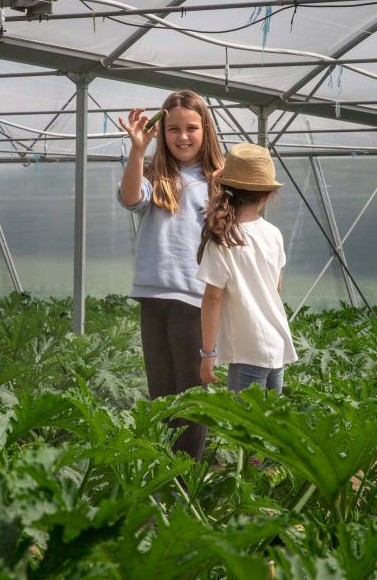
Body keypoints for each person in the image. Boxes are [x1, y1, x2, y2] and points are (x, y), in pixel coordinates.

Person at [117, 90, 224, 460]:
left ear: (205, 129)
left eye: (191, 128)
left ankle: (187, 472)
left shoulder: (217, 181)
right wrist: (136, 150)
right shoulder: (153, 174)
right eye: (173, 129)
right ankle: (166, 470)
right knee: (161, 392)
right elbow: (131, 198)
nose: (182, 137)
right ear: (161, 134)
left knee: (192, 392)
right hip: (154, 297)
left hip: (193, 299)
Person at [196, 142, 297, 393]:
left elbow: (212, 299)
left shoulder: (223, 238)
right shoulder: (273, 234)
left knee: (244, 428)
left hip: (248, 350)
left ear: (227, 189)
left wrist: (208, 353)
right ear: (267, 196)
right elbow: (276, 286)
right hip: (277, 344)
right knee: (269, 427)